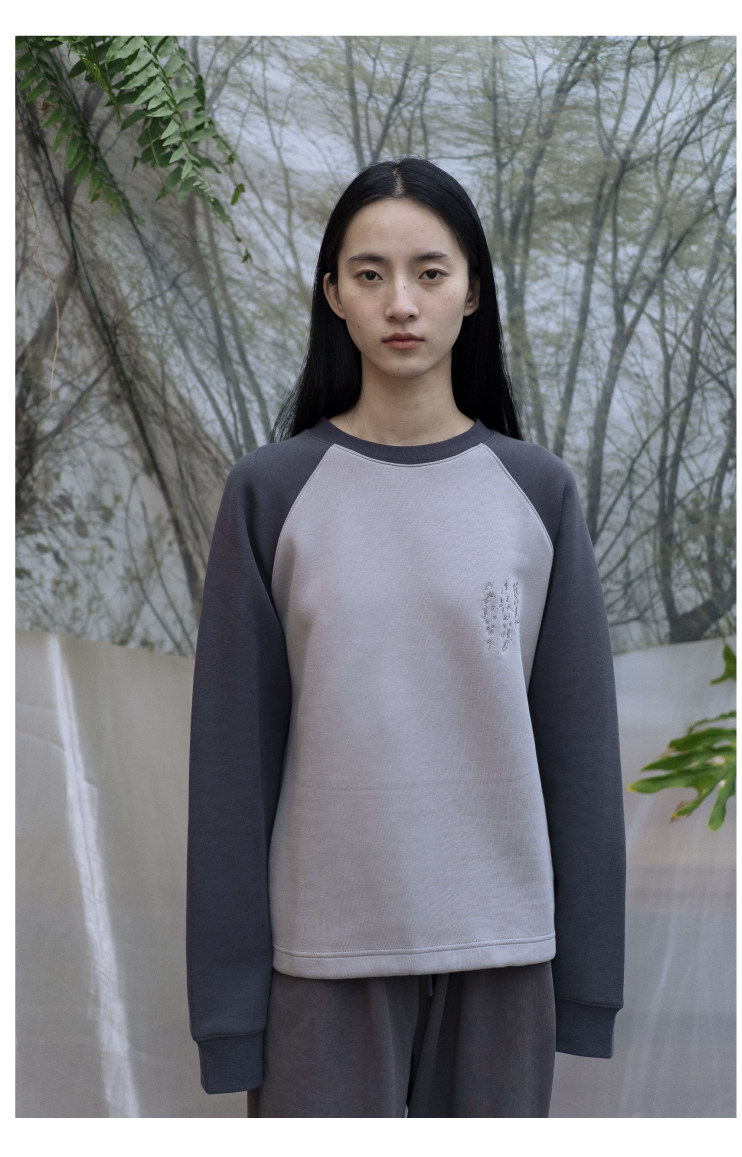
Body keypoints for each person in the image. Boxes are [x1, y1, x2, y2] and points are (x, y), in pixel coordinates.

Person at [186, 157, 626, 1118]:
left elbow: (580, 752)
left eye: (431, 271)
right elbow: (231, 772)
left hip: (504, 954)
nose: (401, 302)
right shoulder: (270, 493)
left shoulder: (538, 493)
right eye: (369, 272)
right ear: (332, 293)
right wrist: (229, 1012)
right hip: (321, 958)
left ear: (473, 292)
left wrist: (588, 982)